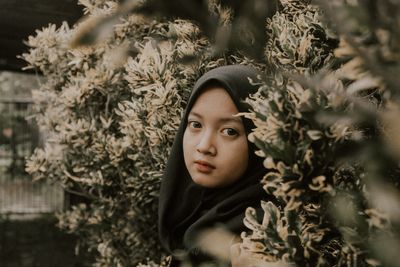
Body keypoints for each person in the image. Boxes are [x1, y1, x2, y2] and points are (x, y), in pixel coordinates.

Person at [158, 65, 272, 266]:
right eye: (195, 125)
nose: (204, 146)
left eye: (229, 131)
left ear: (260, 140)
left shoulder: (263, 236)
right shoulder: (184, 210)